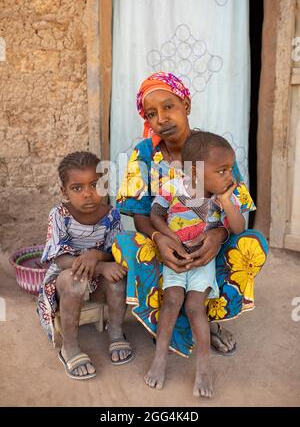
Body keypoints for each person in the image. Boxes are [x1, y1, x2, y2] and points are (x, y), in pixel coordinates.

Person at [113, 71, 268, 383]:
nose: (161, 119)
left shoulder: (213, 149)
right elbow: (141, 212)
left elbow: (235, 205)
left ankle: (207, 318)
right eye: (151, 114)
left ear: (186, 104)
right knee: (127, 244)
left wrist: (218, 233)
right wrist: (158, 237)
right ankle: (168, 321)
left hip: (207, 247)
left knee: (250, 242)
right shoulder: (144, 154)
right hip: (166, 242)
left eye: (169, 106)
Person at [146, 131, 246, 397]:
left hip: (203, 260)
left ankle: (203, 366)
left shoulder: (222, 196)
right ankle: (160, 358)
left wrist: (226, 201)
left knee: (194, 307)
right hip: (175, 257)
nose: (229, 176)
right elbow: (155, 215)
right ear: (194, 172)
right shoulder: (172, 188)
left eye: (230, 169)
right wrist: (169, 239)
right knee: (172, 300)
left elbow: (238, 228)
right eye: (222, 170)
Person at [37, 151, 133, 380]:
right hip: (64, 278)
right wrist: (97, 265)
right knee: (75, 280)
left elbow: (115, 253)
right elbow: (60, 259)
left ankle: (117, 333)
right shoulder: (60, 215)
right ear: (64, 192)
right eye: (77, 188)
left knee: (118, 278)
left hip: (97, 281)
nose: (88, 194)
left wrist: (97, 256)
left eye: (94, 185)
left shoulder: (112, 216)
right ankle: (69, 347)